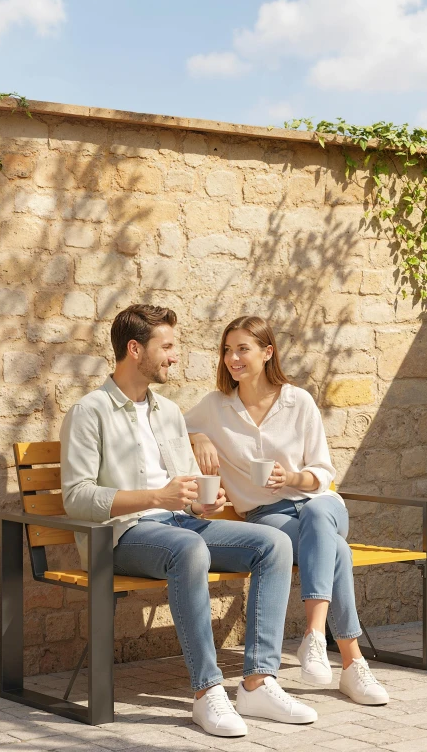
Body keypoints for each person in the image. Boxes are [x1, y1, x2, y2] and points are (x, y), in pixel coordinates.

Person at [60, 304, 317, 737]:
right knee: (189, 549)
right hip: (124, 536)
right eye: (168, 346)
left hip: (181, 527)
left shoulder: (168, 412)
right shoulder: (90, 412)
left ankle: (257, 682)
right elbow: (77, 497)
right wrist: (155, 497)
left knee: (273, 545)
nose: (175, 356)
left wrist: (201, 502)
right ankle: (207, 691)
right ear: (135, 348)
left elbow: (184, 489)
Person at [185, 315, 389, 706]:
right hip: (268, 515)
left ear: (267, 352)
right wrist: (197, 437)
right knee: (338, 551)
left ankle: (313, 634)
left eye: (243, 349)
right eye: (227, 350)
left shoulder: (298, 401)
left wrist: (292, 478)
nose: (233, 358)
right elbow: (168, 428)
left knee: (318, 518)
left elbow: (323, 474)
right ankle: (351, 663)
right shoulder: (215, 406)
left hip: (319, 503)